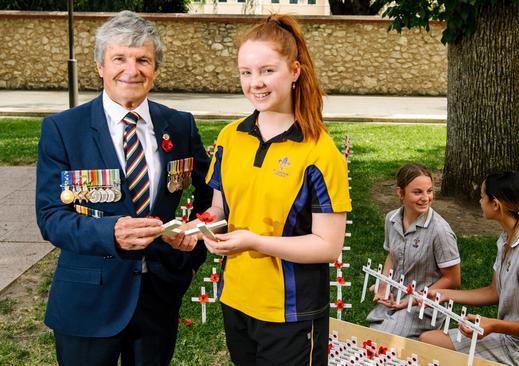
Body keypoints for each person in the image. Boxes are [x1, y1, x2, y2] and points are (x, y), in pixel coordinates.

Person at [35, 11, 213, 366]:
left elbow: (211, 194)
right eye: (119, 58)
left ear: (155, 69)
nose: (131, 70)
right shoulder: (63, 130)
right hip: (88, 301)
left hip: (158, 296)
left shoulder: (178, 126)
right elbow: (51, 217)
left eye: (143, 60)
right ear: (100, 66)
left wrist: (191, 256)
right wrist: (110, 232)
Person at [199, 14, 351, 366]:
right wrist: (203, 225)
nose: (256, 83)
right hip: (236, 298)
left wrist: (254, 241)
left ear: (295, 71)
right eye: (246, 72)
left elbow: (327, 246)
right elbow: (220, 207)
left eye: (268, 70)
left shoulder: (320, 152)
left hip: (291, 312)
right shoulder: (230, 137)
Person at [419, 171, 519, 365]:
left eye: (482, 196)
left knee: (429, 344)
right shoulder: (506, 238)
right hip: (507, 338)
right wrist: (443, 294)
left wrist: (493, 325)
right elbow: (494, 291)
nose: (479, 201)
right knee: (429, 340)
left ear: (495, 204)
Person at [366, 163, 461, 339]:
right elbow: (392, 255)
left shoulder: (440, 231)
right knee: (372, 332)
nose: (426, 198)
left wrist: (413, 299)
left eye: (429, 191)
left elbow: (453, 279)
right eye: (418, 192)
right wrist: (384, 283)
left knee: (380, 339)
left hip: (424, 305)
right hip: (395, 297)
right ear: (400, 193)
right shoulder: (391, 219)